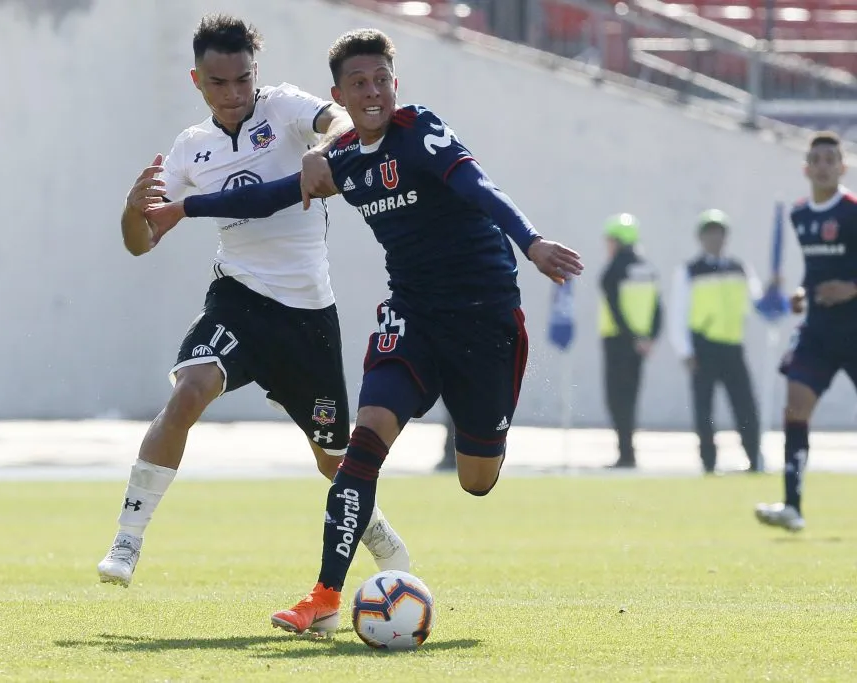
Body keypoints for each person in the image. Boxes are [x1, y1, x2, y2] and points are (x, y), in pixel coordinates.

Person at [146, 28, 584, 636]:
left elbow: (480, 189)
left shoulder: (420, 132)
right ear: (340, 96)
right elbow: (271, 198)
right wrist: (182, 207)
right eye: (359, 83)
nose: (373, 92)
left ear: (394, 84)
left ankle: (479, 436)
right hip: (412, 316)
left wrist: (530, 242)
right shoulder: (345, 160)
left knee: (476, 479)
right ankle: (325, 595)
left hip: (484, 318)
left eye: (381, 80)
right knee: (363, 445)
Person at [98, 14, 410, 588]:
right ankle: (127, 538)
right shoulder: (190, 149)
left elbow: (340, 119)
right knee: (189, 391)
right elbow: (141, 242)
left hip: (309, 315)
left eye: (243, 79)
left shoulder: (283, 107)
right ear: (197, 81)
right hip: (238, 299)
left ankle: (374, 528)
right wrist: (131, 210)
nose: (234, 93)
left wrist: (324, 147)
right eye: (219, 83)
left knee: (332, 459)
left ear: (255, 72)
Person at [756, 131, 857, 532]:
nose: (823, 166)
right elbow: (815, 270)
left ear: (843, 167)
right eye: (817, 160)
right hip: (818, 331)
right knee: (795, 408)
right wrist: (801, 293)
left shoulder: (852, 211)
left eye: (831, 159)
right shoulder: (800, 215)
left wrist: (851, 288)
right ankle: (792, 505)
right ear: (806, 169)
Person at [669, 210, 764, 474]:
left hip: (732, 346)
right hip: (703, 348)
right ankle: (709, 462)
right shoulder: (690, 271)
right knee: (704, 409)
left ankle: (755, 459)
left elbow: (758, 302)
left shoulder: (740, 268)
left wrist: (775, 295)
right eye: (709, 233)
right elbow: (678, 313)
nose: (715, 238)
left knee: (745, 406)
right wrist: (685, 351)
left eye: (719, 233)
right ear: (701, 238)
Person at [598, 214, 662, 469]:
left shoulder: (613, 270)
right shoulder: (648, 268)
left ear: (617, 240)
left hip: (618, 342)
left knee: (616, 399)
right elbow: (658, 308)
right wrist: (649, 339)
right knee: (631, 398)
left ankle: (626, 454)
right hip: (640, 346)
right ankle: (628, 452)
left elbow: (616, 309)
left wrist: (633, 337)